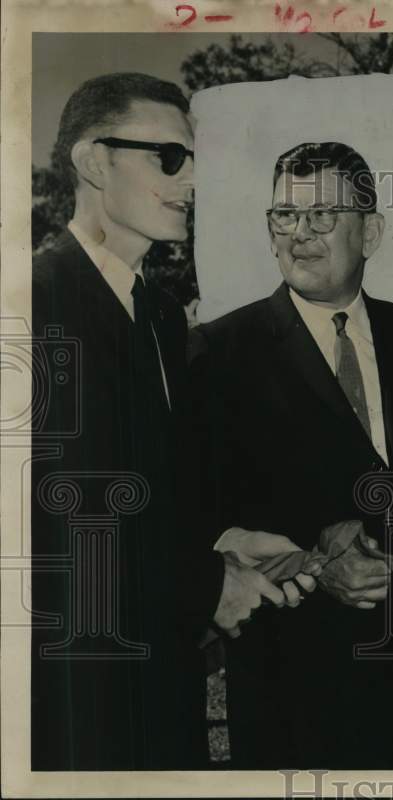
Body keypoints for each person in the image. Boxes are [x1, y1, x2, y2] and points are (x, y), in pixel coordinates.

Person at [31, 73, 314, 770]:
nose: (191, 181)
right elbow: (66, 519)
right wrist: (210, 586)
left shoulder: (159, 315)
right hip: (74, 695)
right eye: (168, 158)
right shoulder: (33, 301)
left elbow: (150, 486)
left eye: (196, 162)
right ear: (95, 163)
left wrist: (228, 537)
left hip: (163, 688)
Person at [188, 141, 393, 768]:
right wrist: (317, 562)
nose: (300, 234)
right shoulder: (217, 353)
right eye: (284, 216)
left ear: (371, 230)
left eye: (323, 215)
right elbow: (199, 519)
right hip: (295, 697)